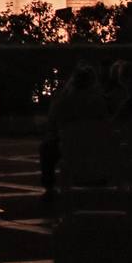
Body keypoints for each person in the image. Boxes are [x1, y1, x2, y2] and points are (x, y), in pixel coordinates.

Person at [39, 63, 107, 196]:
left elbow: (52, 124)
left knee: (46, 148)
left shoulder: (62, 101)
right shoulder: (99, 100)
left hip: (69, 146)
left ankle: (49, 187)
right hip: (97, 146)